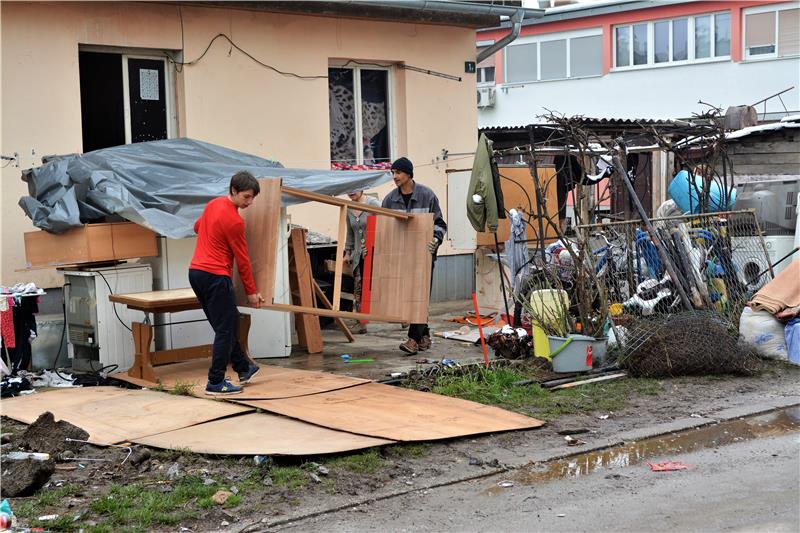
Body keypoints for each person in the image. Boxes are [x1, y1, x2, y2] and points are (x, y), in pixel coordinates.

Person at [189, 171, 265, 395]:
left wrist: (212, 235)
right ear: (233, 190)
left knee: (225, 326)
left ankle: (244, 367)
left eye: (252, 198)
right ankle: (215, 382)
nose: (249, 202)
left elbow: (196, 227)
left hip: (196, 273)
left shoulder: (213, 204)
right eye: (246, 197)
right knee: (225, 330)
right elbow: (242, 260)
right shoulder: (234, 221)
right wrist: (251, 292)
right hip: (215, 276)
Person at [381, 157, 447, 355]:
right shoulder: (390, 199)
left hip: (424, 255)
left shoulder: (427, 196)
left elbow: (440, 223)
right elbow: (383, 226)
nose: (394, 177)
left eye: (398, 173)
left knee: (420, 296)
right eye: (392, 173)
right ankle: (424, 336)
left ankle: (413, 339)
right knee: (410, 298)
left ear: (408, 174)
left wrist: (436, 239)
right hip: (401, 257)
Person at [344, 190, 380, 334]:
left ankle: (400, 317)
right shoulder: (348, 207)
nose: (351, 192)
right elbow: (350, 232)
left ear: (363, 188)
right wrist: (348, 252)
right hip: (359, 255)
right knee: (359, 288)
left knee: (380, 286)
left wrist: (374, 245)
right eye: (349, 189)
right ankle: (362, 322)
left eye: (355, 188)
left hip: (376, 253)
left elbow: (386, 224)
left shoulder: (373, 204)